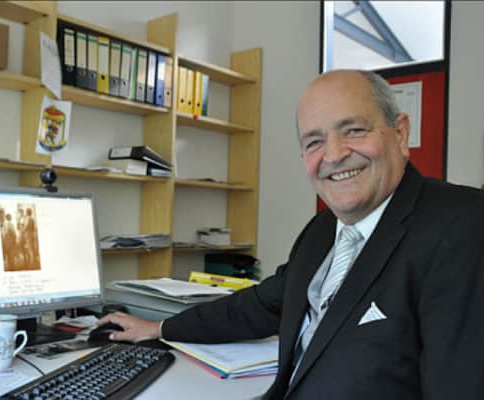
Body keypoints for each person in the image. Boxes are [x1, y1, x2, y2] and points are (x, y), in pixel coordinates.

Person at [97, 70, 484, 399]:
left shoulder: (463, 223)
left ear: (400, 133)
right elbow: (260, 306)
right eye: (314, 142)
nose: (334, 155)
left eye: (353, 130)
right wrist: (160, 328)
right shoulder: (323, 230)